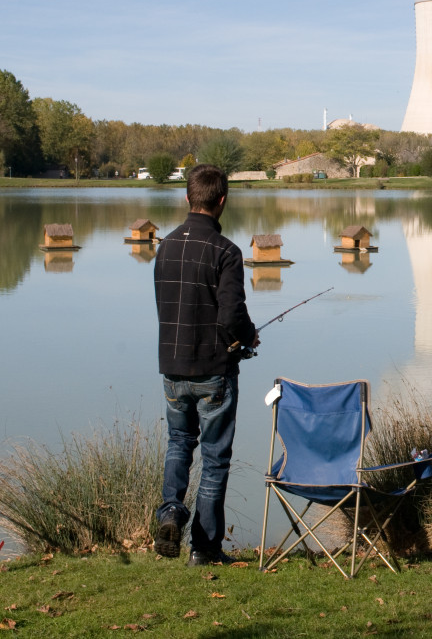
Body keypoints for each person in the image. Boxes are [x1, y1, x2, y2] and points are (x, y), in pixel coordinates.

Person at [152, 163, 258, 566]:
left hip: (172, 368)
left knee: (179, 444)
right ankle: (205, 547)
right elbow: (231, 313)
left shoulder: (165, 246)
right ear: (222, 201)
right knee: (215, 459)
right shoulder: (227, 251)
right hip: (213, 371)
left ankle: (171, 514)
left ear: (187, 199)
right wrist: (248, 337)